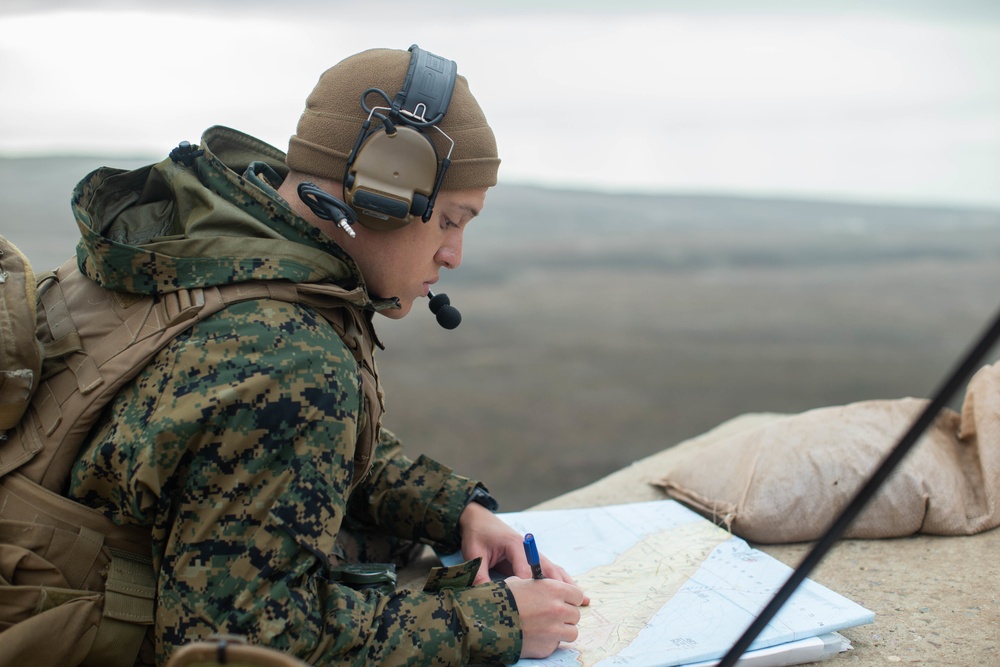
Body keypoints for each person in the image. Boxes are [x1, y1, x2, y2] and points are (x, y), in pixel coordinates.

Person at [63, 46, 589, 665]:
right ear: (383, 192)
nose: (454, 255)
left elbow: (280, 439)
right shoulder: (287, 354)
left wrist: (455, 509)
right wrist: (493, 623)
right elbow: (243, 647)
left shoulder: (205, 254)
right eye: (449, 219)